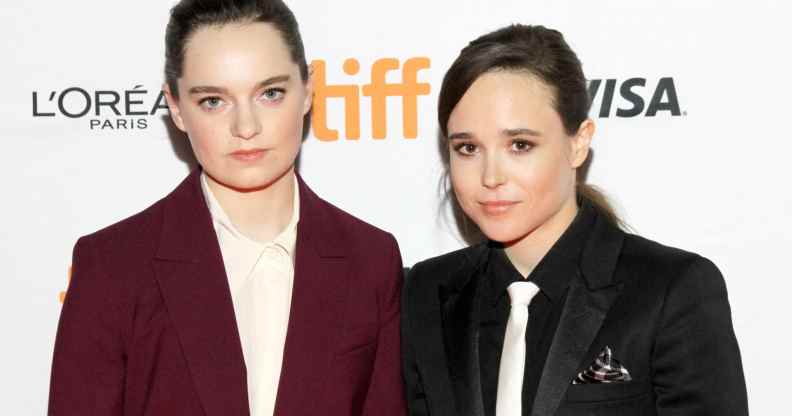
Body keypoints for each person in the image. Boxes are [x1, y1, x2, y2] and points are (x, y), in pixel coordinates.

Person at [48, 1, 406, 415]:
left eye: (270, 93)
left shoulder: (371, 259)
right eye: (214, 101)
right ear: (177, 107)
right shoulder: (112, 267)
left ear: (308, 91)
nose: (246, 127)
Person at [401, 24, 748, 416]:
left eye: (520, 145)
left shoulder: (672, 291)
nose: (490, 176)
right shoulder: (425, 293)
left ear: (578, 142)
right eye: (467, 148)